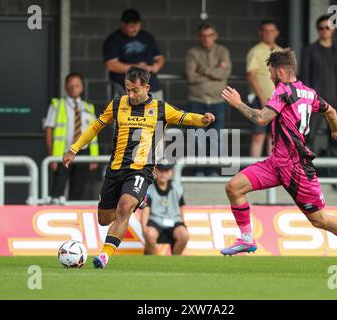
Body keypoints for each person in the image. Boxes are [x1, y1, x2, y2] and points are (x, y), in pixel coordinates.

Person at [220, 49, 337, 273]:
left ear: (281, 71)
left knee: (320, 219)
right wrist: (336, 129)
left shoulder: (283, 91)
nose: (271, 77)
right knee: (234, 187)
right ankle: (247, 238)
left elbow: (262, 118)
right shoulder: (309, 93)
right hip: (276, 163)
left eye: (271, 72)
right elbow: (330, 111)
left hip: (296, 168)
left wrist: (237, 103)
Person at [63, 66, 215, 269]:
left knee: (124, 208)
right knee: (104, 219)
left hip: (141, 169)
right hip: (115, 169)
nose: (131, 94)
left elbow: (185, 116)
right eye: (127, 89)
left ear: (147, 87)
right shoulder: (117, 105)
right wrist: (74, 149)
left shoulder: (160, 108)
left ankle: (104, 256)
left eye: (135, 90)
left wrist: (203, 120)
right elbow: (95, 127)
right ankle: (139, 199)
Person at [300, 14, 337, 191]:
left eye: (327, 27)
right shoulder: (309, 50)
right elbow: (304, 77)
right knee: (307, 139)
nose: (324, 31)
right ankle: (305, 178)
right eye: (321, 28)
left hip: (335, 102)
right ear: (317, 30)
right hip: (313, 102)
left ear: (333, 29)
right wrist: (304, 100)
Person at [186, 22, 231, 176]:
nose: (207, 39)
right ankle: (198, 169)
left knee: (215, 138)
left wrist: (203, 70)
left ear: (215, 36)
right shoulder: (193, 52)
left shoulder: (222, 51)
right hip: (197, 101)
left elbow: (224, 74)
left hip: (218, 102)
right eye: (204, 36)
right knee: (196, 137)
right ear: (199, 37)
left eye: (210, 35)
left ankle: (211, 170)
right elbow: (191, 77)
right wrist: (215, 71)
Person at [44, 73, 99, 201]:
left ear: (82, 88)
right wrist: (51, 155)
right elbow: (48, 129)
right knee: (58, 189)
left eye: (77, 85)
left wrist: (94, 157)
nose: (74, 87)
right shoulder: (57, 105)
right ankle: (55, 217)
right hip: (63, 153)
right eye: (71, 85)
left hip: (83, 153)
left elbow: (94, 133)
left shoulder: (88, 108)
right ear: (65, 87)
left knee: (78, 190)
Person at [103, 8, 165, 100]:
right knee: (132, 113)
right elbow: (110, 65)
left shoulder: (147, 37)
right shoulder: (113, 40)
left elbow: (160, 58)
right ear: (123, 24)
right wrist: (137, 68)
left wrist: (157, 66)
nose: (135, 29)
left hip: (151, 86)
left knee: (157, 112)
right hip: (126, 87)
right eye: (131, 26)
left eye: (137, 25)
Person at [246, 21, 283, 157]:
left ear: (277, 33)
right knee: (258, 135)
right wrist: (262, 97)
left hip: (278, 100)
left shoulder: (281, 51)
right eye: (266, 31)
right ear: (260, 33)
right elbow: (251, 76)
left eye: (272, 31)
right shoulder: (255, 51)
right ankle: (253, 172)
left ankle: (271, 172)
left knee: (273, 136)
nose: (269, 34)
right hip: (259, 99)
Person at [141, 161, 189, 255]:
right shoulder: (149, 189)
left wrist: (183, 224)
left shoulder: (177, 188)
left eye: (166, 171)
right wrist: (143, 227)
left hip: (174, 221)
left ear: (171, 172)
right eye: (160, 170)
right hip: (155, 221)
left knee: (184, 235)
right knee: (149, 234)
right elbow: (146, 209)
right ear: (155, 171)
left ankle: (175, 260)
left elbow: (181, 207)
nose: (163, 174)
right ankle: (156, 262)